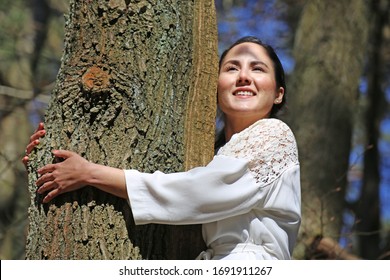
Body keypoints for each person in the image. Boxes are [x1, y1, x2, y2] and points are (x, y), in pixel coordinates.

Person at [23, 36, 301, 260]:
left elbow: (196, 192)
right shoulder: (216, 153)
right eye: (231, 68)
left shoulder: (275, 135)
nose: (243, 76)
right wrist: (47, 156)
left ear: (278, 93)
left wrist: (90, 173)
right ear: (215, 87)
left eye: (258, 68)